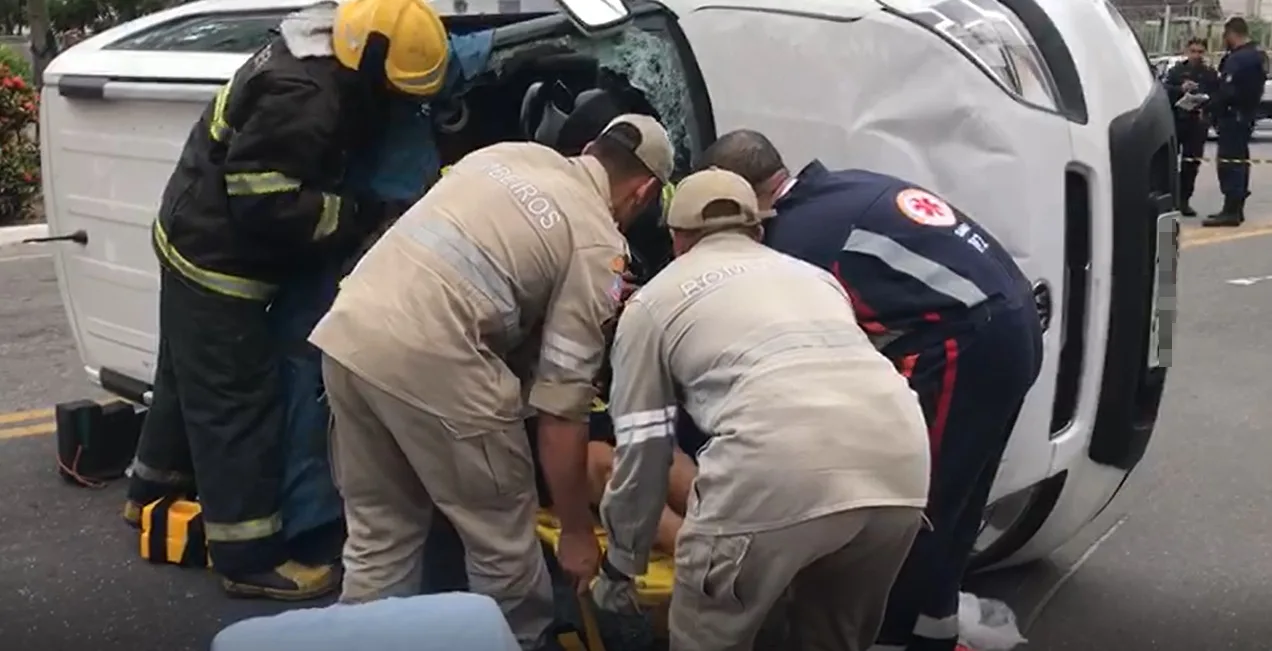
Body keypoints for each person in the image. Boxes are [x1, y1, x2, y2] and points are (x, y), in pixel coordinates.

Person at [122, 0, 455, 601]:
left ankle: (149, 493)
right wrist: (358, 217)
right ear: (372, 61)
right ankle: (248, 558)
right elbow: (264, 200)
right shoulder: (306, 95)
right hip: (220, 261)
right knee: (237, 404)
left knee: (186, 379)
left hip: (189, 234)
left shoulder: (317, 49)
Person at [308, 114, 674, 651]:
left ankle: (364, 638)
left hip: (350, 336)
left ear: (591, 148)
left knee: (379, 536)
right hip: (436, 358)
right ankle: (517, 642)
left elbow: (489, 273)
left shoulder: (504, 155)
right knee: (503, 546)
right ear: (643, 192)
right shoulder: (598, 244)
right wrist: (574, 530)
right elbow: (561, 409)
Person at [698, 130, 1044, 651]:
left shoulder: (797, 238)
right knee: (958, 501)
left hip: (970, 341)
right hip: (1014, 321)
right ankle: (936, 630)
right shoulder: (843, 188)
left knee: (912, 505)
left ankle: (891, 637)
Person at [592, 169, 931, 651]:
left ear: (676, 239)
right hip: (899, 464)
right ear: (758, 230)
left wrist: (621, 563)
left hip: (778, 468)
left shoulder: (653, 303)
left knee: (706, 636)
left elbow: (644, 447)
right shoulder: (817, 280)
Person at [1205, 17, 1267, 227]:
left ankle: (1231, 210)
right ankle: (1235, 209)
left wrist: (1210, 106)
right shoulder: (1258, 55)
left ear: (1231, 34)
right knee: (1239, 161)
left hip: (1233, 116)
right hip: (1246, 115)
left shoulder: (1240, 59)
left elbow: (1228, 91)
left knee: (1229, 162)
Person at [1163, 37, 1219, 217]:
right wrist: (1181, 89)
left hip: (1197, 123)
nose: (1196, 55)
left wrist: (1207, 106)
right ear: (1186, 51)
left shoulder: (1209, 74)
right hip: (1177, 121)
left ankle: (1184, 199)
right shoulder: (1176, 71)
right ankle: (1168, 198)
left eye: (1200, 52)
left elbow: (1217, 95)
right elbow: (1164, 91)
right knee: (1170, 162)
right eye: (1193, 51)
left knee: (1191, 163)